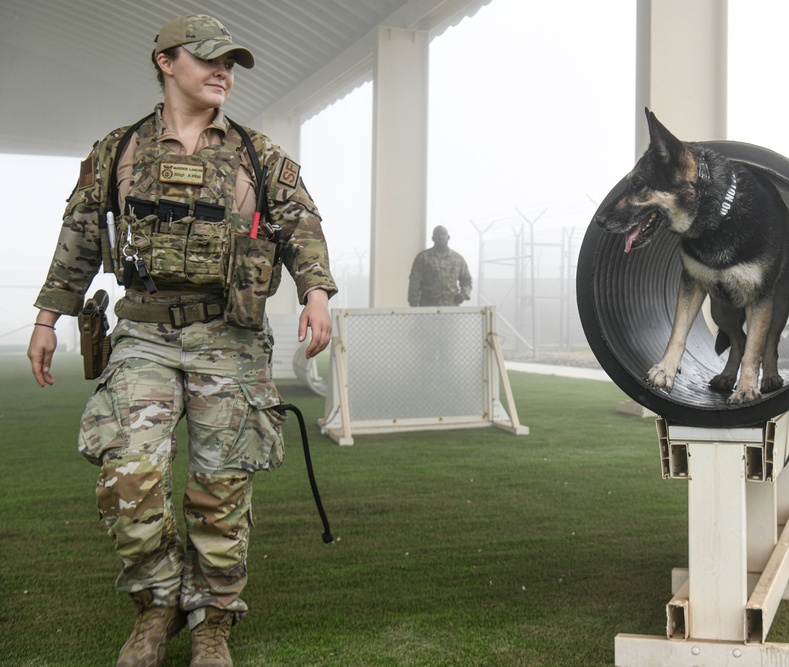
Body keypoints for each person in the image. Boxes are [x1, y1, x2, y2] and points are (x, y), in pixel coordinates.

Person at [26, 14, 337, 667]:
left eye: (231, 63)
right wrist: (49, 316)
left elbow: (300, 223)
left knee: (220, 486)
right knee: (128, 476)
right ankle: (156, 608)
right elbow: (80, 234)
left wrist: (315, 292)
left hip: (230, 335)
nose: (224, 71)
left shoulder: (259, 153)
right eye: (209, 59)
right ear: (166, 61)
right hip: (143, 332)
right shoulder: (119, 151)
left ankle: (212, 622)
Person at [407, 225, 473, 306]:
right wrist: (415, 308)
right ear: (433, 238)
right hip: (428, 308)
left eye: (443, 234)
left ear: (448, 237)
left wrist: (463, 295)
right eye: (437, 234)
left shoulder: (458, 259)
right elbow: (414, 284)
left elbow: (467, 280)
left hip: (451, 309)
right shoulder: (423, 258)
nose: (440, 236)